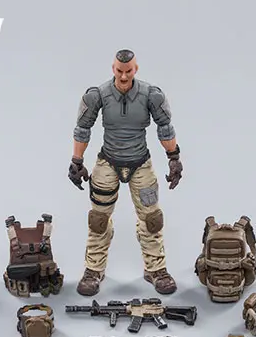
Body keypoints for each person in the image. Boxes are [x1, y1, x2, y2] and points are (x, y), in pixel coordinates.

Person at [68, 49, 183, 296]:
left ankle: (156, 269)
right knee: (98, 220)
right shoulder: (98, 95)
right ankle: (93, 270)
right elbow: (82, 129)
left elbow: (165, 127)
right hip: (108, 162)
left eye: (128, 71)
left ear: (135, 69)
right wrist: (77, 161)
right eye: (119, 71)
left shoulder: (151, 95)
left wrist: (174, 158)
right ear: (113, 69)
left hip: (140, 162)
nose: (123, 76)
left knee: (152, 220)